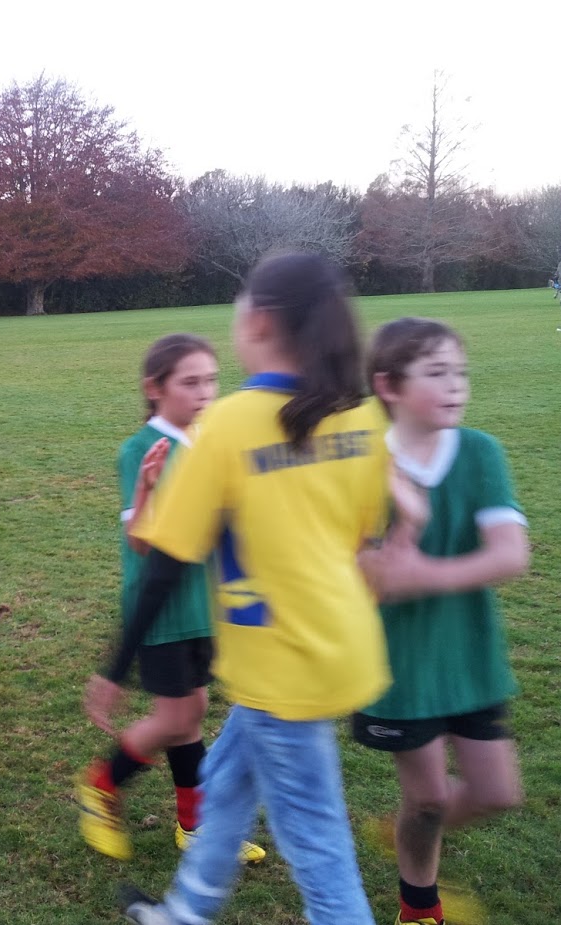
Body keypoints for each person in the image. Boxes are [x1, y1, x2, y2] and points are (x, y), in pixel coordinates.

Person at [89, 252, 393, 925]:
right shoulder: (361, 416)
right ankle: (184, 910)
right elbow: (364, 541)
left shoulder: (228, 423)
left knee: (318, 847)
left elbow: (165, 561)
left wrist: (114, 667)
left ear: (256, 320)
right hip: (332, 647)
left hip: (280, 665)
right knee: (224, 780)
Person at [354, 318, 528, 925]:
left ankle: (395, 832)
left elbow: (512, 554)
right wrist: (372, 572)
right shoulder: (361, 466)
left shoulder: (480, 452)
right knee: (425, 798)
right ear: (389, 386)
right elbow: (347, 574)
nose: (456, 385)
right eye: (436, 373)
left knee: (498, 793)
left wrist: (420, 573)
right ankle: (418, 908)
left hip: (470, 658)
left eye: (460, 371)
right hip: (398, 665)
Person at [76, 334, 264, 866]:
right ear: (154, 389)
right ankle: (101, 786)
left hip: (201, 605)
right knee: (177, 718)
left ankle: (192, 825)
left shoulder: (208, 442)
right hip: (158, 608)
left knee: (193, 711)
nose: (204, 392)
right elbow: (139, 539)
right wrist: (145, 491)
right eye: (190, 382)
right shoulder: (141, 449)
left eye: (211, 379)